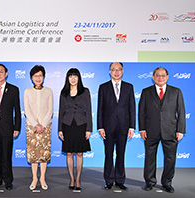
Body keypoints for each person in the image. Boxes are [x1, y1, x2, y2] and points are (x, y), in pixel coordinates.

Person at [139, 67, 186, 193]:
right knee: (150, 157)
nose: (160, 77)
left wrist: (180, 130)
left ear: (167, 77)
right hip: (150, 130)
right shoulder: (146, 92)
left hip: (170, 130)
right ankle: (150, 182)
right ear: (153, 77)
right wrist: (142, 129)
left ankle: (167, 182)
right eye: (158, 75)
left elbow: (181, 112)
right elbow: (141, 112)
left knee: (170, 158)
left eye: (163, 75)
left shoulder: (176, 92)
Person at [97, 62, 135, 190]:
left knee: (121, 154)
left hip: (124, 126)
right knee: (108, 154)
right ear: (109, 71)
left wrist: (132, 127)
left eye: (119, 69)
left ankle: (119, 180)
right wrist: (100, 127)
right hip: (108, 127)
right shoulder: (103, 87)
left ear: (123, 71)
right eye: (113, 69)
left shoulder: (129, 87)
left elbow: (132, 108)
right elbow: (100, 109)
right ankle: (108, 180)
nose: (116, 72)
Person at [58, 68, 92, 191]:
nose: (73, 78)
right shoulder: (63, 92)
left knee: (79, 153)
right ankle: (71, 179)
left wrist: (89, 129)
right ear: (67, 78)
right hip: (67, 125)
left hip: (81, 125)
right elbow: (61, 112)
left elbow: (89, 111)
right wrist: (60, 129)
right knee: (69, 153)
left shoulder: (85, 91)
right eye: (70, 76)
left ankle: (78, 179)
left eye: (75, 76)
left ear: (79, 78)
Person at [24, 65, 53, 191]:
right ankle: (35, 178)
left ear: (43, 76)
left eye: (40, 75)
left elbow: (50, 109)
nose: (38, 78)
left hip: (46, 127)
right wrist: (36, 124)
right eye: (35, 76)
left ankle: (43, 178)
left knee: (44, 154)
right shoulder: (27, 91)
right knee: (34, 154)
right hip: (31, 126)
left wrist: (43, 124)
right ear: (31, 77)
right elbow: (27, 110)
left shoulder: (49, 91)